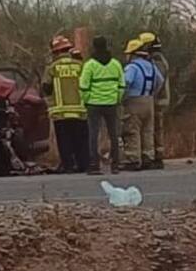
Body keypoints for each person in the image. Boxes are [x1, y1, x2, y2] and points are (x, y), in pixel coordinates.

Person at [43, 35, 90, 173]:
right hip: (80, 111)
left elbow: (46, 87)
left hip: (61, 113)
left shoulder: (52, 67)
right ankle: (84, 164)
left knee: (65, 142)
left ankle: (68, 166)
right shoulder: (80, 66)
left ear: (56, 52)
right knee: (81, 140)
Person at [80, 35, 125, 174]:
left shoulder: (90, 65)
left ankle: (94, 164)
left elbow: (83, 86)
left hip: (93, 104)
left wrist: (86, 100)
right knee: (113, 133)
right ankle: (115, 164)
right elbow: (122, 85)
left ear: (94, 47)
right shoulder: (116, 64)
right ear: (106, 46)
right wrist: (117, 98)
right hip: (111, 103)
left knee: (94, 134)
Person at [121, 38, 164, 170]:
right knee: (148, 130)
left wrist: (123, 96)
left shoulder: (132, 67)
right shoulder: (151, 66)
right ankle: (148, 157)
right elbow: (160, 81)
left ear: (133, 54)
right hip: (149, 100)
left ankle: (133, 159)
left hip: (134, 101)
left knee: (132, 130)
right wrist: (152, 93)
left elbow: (126, 82)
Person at [138, 31, 170, 168]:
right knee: (154, 127)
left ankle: (157, 157)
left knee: (155, 128)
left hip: (157, 100)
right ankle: (156, 155)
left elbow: (158, 81)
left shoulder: (157, 60)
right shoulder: (156, 59)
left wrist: (149, 94)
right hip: (156, 99)